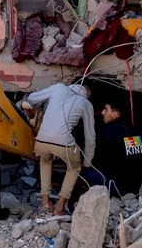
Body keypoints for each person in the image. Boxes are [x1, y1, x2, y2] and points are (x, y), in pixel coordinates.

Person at [23, 83, 95, 215]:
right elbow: (90, 136)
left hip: (41, 140)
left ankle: (45, 203)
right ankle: (60, 207)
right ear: (87, 94)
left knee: (45, 163)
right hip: (63, 143)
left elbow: (32, 98)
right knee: (74, 168)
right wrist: (87, 162)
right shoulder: (86, 103)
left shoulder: (59, 88)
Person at [83, 101, 142, 196]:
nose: (102, 112)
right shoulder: (135, 131)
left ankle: (72, 205)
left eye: (106, 109)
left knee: (81, 171)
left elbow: (98, 163)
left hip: (118, 188)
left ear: (115, 114)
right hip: (137, 187)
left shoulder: (109, 133)